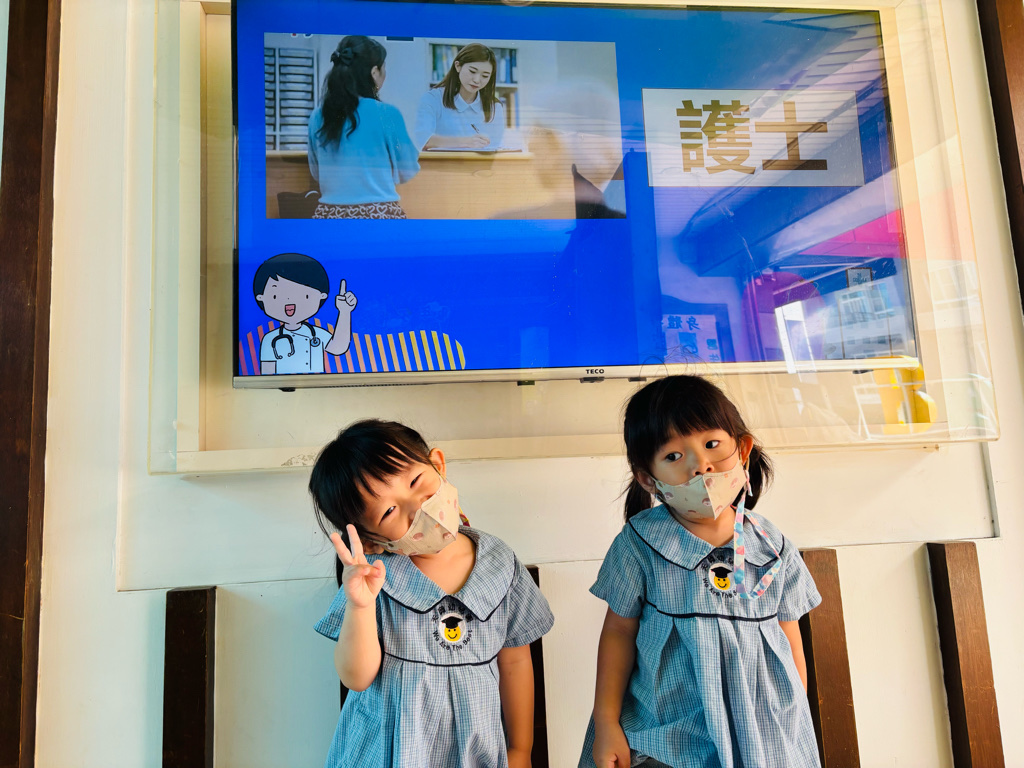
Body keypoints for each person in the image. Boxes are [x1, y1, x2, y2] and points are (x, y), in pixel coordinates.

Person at [580, 375, 822, 768]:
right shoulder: (639, 544)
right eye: (674, 456)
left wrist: (792, 725)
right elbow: (618, 632)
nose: (700, 466)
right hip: (666, 740)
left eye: (711, 444)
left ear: (743, 448)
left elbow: (788, 638)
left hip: (762, 740)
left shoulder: (773, 548)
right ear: (648, 478)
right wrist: (606, 722)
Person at [309, 419, 554, 768]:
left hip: (475, 752)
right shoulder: (374, 579)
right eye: (389, 511)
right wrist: (360, 606)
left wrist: (520, 750)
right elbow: (356, 679)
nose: (417, 507)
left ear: (437, 463)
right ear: (370, 540)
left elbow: (515, 660)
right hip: (389, 754)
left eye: (415, 482)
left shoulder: (500, 564)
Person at [307, 36, 419, 219]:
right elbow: (407, 170)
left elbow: (316, 173)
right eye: (383, 68)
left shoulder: (317, 116)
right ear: (374, 72)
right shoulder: (387, 114)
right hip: (379, 215)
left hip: (329, 216)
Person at [253, 252, 356, 375]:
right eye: (276, 296)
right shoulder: (269, 339)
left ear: (322, 296)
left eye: (304, 295)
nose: (289, 300)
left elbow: (339, 348)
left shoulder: (317, 334)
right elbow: (266, 376)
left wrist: (344, 312)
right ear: (261, 298)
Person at [415, 43, 506, 151]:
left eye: (485, 76)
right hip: (442, 162)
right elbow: (424, 140)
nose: (477, 80)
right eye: (472, 71)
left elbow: (494, 149)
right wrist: (466, 142)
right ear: (458, 66)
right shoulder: (432, 99)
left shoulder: (495, 107)